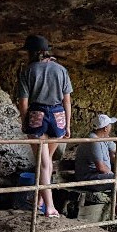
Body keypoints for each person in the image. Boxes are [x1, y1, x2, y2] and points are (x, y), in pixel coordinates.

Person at [15, 35, 72, 218]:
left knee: (43, 162)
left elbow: (23, 103)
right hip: (58, 116)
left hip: (37, 114)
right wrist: (68, 125)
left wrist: (24, 122)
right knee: (48, 160)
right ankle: (39, 201)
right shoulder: (61, 70)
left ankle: (49, 206)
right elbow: (67, 101)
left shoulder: (28, 71)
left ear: (32, 52)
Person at [73, 113, 117, 220]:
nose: (111, 127)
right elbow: (100, 167)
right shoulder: (93, 141)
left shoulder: (103, 137)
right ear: (105, 128)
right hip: (88, 177)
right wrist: (114, 175)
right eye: (110, 125)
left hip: (98, 175)